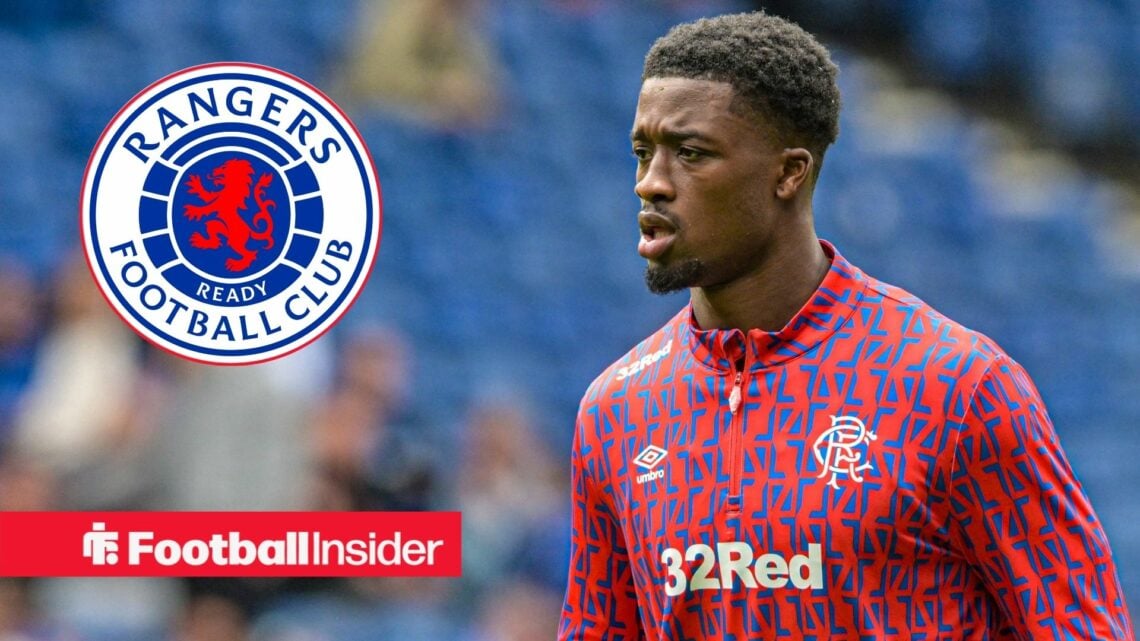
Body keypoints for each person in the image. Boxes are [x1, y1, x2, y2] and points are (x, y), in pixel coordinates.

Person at [558, 11, 1134, 640]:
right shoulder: (615, 411)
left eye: (691, 154)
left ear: (789, 172)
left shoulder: (957, 387)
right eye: (643, 153)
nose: (652, 183)